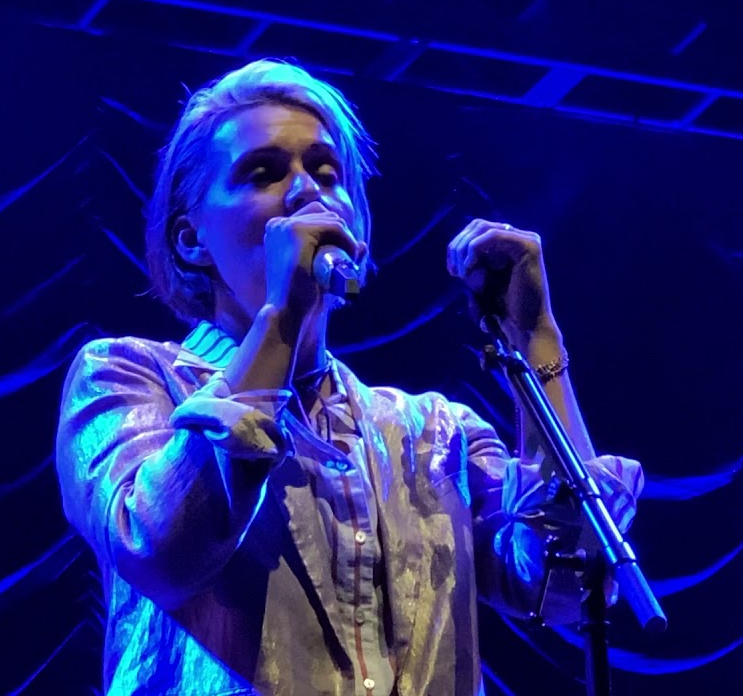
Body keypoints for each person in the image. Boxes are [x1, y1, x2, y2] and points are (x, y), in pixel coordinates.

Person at [56, 59, 644, 696]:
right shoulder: (127, 378)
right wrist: (282, 317)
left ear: (357, 229)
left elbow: (566, 585)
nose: (307, 191)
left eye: (327, 171)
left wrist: (537, 342)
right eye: (263, 172)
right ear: (191, 239)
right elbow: (163, 550)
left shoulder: (434, 432)